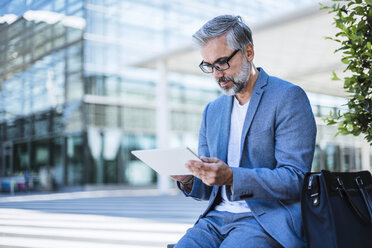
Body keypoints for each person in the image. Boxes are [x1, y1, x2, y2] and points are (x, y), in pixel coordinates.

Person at [171, 15, 317, 248]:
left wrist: (232, 176)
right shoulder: (212, 111)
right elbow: (208, 190)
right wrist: (189, 179)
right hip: (215, 220)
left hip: (265, 220)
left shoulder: (288, 97)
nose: (217, 74)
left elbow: (295, 178)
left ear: (248, 52)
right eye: (209, 66)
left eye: (222, 62)